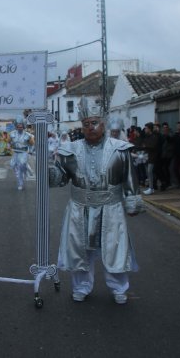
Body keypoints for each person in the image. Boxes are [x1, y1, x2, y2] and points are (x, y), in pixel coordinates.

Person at [49, 97, 143, 304]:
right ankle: (81, 286)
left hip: (111, 208)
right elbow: (60, 179)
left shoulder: (120, 149)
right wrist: (49, 166)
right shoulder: (69, 150)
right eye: (86, 124)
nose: (90, 128)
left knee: (115, 248)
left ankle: (119, 288)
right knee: (80, 251)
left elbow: (130, 179)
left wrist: (132, 202)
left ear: (103, 124)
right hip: (79, 208)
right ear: (81, 126)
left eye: (94, 123)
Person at [9, 115, 34, 190]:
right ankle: (27, 167)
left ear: (23, 127)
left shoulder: (28, 135)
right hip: (16, 152)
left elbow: (32, 145)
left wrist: (31, 151)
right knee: (12, 165)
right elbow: (9, 142)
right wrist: (8, 146)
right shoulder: (12, 134)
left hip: (23, 152)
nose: (20, 128)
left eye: (21, 127)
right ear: (16, 126)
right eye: (18, 126)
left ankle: (20, 184)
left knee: (21, 165)